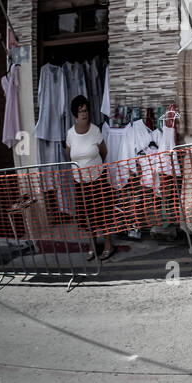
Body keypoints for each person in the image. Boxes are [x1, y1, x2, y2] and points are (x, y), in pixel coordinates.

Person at [66, 96, 117, 260]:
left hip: (98, 179)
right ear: (75, 114)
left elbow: (104, 152)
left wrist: (94, 168)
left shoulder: (95, 130)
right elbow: (69, 156)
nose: (84, 114)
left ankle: (109, 245)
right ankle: (92, 245)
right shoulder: (70, 134)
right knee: (86, 215)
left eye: (86, 110)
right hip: (80, 183)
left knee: (103, 213)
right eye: (80, 111)